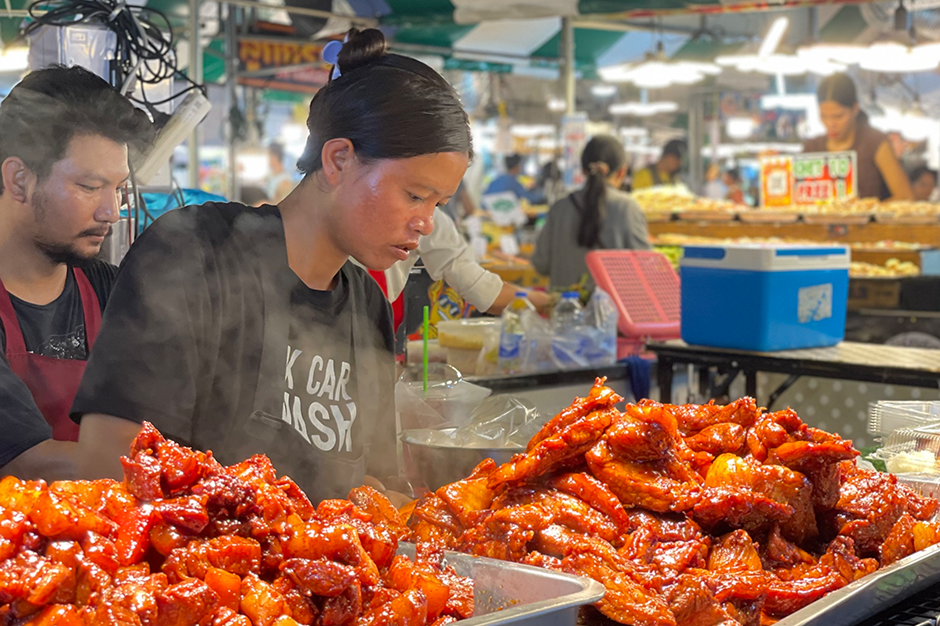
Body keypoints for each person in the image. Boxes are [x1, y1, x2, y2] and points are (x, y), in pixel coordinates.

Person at [70, 28, 471, 506]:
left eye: (438, 203)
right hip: (195, 572)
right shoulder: (195, 253)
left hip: (321, 577)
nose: (426, 223)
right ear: (339, 159)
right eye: (414, 195)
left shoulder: (368, 304)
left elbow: (373, 490)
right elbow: (108, 461)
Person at [0, 66, 153, 479]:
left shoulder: (111, 290)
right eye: (89, 186)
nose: (112, 211)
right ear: (18, 180)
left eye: (118, 189)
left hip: (103, 538)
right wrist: (172, 480)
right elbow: (23, 461)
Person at [378, 208, 552, 319]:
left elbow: (480, 287)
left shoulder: (433, 221)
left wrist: (551, 302)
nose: (428, 226)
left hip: (374, 333)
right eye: (414, 195)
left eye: (439, 201)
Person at [532, 135, 651, 289]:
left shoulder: (559, 208)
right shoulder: (628, 207)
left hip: (564, 308)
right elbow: (646, 266)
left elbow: (541, 264)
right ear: (622, 171)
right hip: (614, 310)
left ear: (582, 170)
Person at [804, 73, 912, 201]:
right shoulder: (812, 148)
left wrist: (867, 210)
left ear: (855, 108)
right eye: (824, 116)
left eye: (838, 116)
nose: (830, 124)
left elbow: (905, 197)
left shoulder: (874, 143)